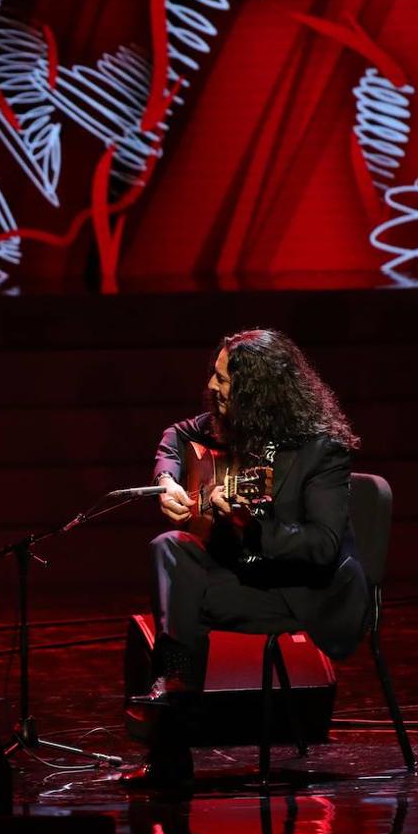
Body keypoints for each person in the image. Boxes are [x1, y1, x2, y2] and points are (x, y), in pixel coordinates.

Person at [125, 328, 368, 787]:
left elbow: (321, 547)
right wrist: (169, 483)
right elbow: (174, 436)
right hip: (241, 575)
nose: (213, 388)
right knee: (169, 547)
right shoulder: (232, 426)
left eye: (224, 380)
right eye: (215, 375)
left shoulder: (321, 450)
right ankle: (178, 690)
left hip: (294, 593)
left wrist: (250, 526)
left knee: (181, 603)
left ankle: (173, 730)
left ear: (259, 391)